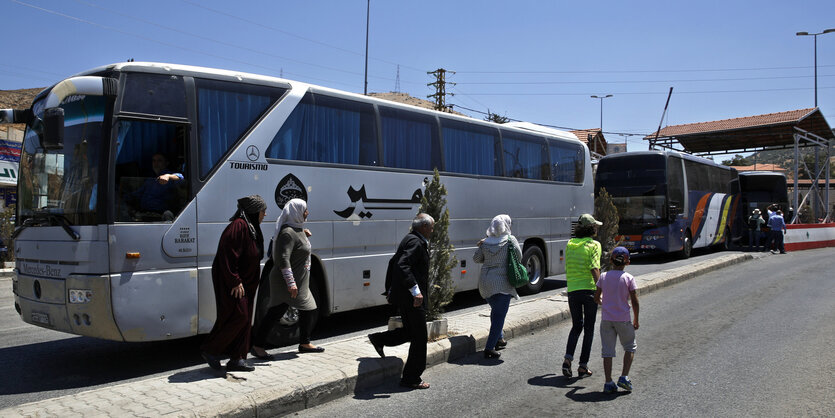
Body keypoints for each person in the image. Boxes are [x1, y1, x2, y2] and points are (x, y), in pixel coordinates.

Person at [200, 195, 267, 373]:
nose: (265, 214)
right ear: (254, 211)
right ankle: (211, 349)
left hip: (248, 283)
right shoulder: (238, 226)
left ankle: (238, 358)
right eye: (263, 211)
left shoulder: (250, 226)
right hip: (235, 283)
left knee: (245, 319)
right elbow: (227, 255)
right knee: (239, 316)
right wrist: (234, 280)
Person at [368, 213, 434, 390]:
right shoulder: (415, 242)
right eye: (431, 227)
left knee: (411, 332)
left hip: (406, 297)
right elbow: (401, 265)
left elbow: (394, 262)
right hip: (413, 299)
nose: (433, 230)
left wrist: (392, 289)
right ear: (423, 227)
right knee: (420, 338)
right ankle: (411, 378)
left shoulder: (410, 238)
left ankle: (379, 339)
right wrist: (415, 291)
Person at [251, 198, 324, 357]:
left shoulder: (297, 229)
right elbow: (283, 259)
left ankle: (305, 342)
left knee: (309, 309)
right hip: (286, 281)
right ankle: (258, 346)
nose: (307, 213)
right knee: (276, 312)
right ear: (296, 212)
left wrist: (304, 234)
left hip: (300, 280)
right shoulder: (288, 233)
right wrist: (291, 283)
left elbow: (298, 247)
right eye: (305, 210)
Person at [473, 214, 521, 359]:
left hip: (485, 283)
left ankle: (499, 339)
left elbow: (476, 259)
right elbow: (519, 257)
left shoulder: (486, 242)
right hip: (502, 283)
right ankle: (489, 348)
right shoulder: (510, 240)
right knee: (499, 316)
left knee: (496, 312)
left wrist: (483, 248)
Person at [562, 213, 602, 378]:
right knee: (589, 328)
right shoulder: (594, 245)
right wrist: (602, 290)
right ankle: (583, 365)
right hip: (589, 290)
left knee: (576, 326)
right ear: (592, 228)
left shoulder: (570, 244)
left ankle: (567, 360)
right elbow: (594, 268)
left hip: (573, 291)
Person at [595, 247, 640, 394]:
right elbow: (634, 301)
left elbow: (596, 298)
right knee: (629, 347)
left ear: (611, 260)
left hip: (607, 319)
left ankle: (608, 382)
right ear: (627, 262)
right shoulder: (629, 278)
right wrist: (636, 319)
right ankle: (624, 377)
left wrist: (604, 303)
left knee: (607, 351)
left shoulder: (603, 277)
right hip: (623, 319)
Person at [131, 153, 184, 220]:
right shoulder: (150, 180)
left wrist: (168, 176)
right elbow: (137, 194)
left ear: (166, 163)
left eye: (159, 161)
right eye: (154, 161)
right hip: (145, 213)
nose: (156, 163)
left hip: (160, 215)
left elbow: (181, 177)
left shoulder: (169, 177)